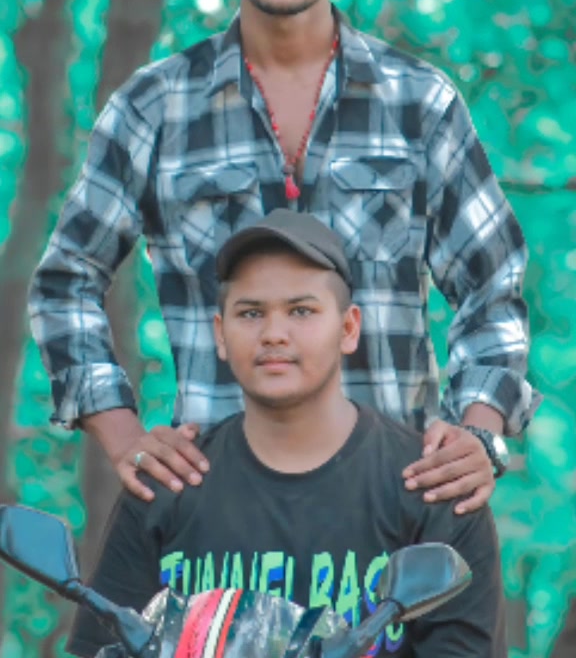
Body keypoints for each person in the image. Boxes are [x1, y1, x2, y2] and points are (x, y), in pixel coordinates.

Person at [29, 0, 536, 511]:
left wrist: (478, 434)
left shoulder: (421, 104)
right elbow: (66, 281)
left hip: (395, 502)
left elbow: (493, 286)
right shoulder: (154, 107)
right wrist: (122, 435)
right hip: (215, 510)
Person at [67, 210, 507, 658]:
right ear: (221, 334)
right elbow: (101, 646)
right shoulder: (167, 483)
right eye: (251, 313)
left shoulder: (436, 486)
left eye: (301, 311)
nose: (274, 334)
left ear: (348, 328)